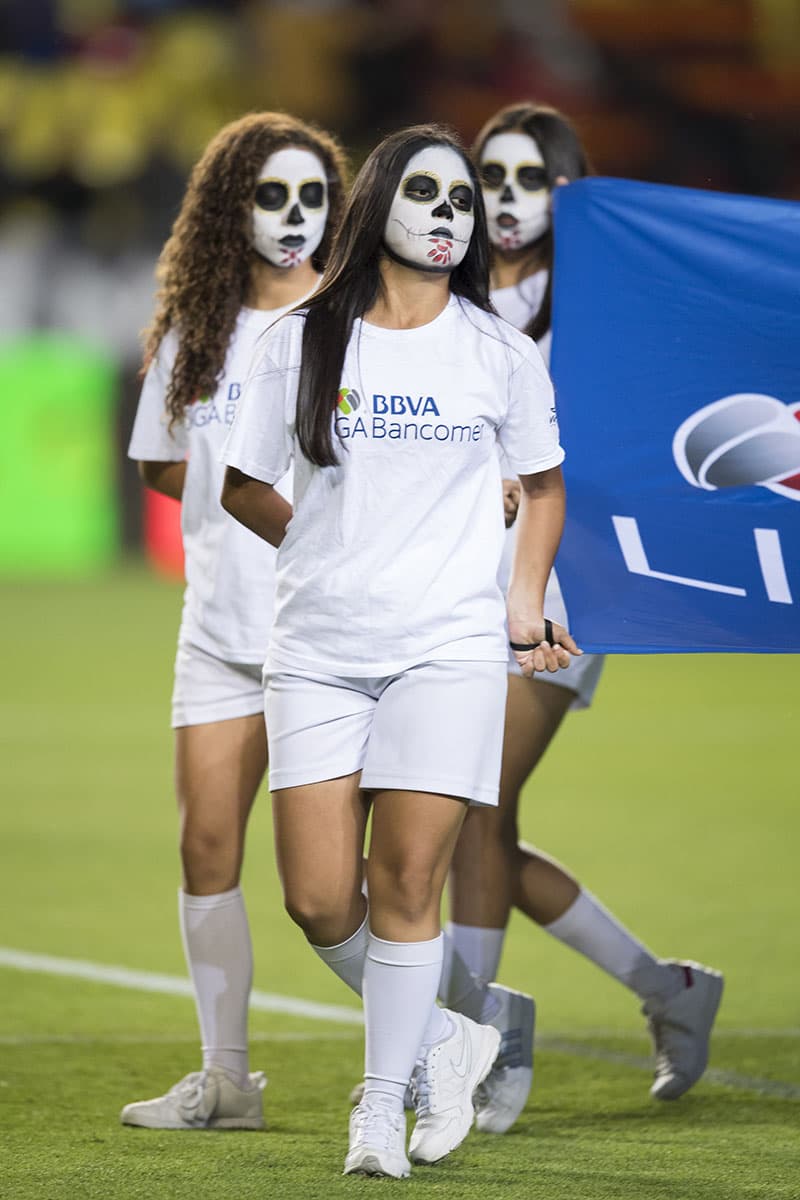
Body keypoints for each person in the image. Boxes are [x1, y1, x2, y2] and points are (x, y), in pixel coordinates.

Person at [220, 123, 580, 1178]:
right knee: (318, 898)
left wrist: (520, 602)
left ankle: (380, 1107)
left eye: (461, 201)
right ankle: (445, 1039)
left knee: (407, 879)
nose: (448, 215)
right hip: (319, 648)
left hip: (447, 648)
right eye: (426, 194)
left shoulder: (496, 354)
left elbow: (545, 485)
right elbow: (244, 481)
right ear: (376, 205)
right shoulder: (294, 339)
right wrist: (327, 549)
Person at [439, 102, 724, 1133]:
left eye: (529, 177)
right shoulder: (446, 298)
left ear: (567, 191)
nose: (505, 197)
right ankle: (666, 989)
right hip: (448, 584)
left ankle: (475, 1045)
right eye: (490, 177)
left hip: (562, 587)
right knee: (469, 816)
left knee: (473, 802)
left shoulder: (601, 305)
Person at [120, 112, 348, 1131]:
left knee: (340, 890)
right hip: (216, 630)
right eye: (272, 196)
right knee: (205, 847)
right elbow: (162, 463)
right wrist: (231, 511)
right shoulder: (194, 327)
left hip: (334, 638)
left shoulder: (359, 323)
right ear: (230, 207)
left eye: (312, 197)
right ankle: (226, 1082)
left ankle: (447, 1038)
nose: (295, 217)